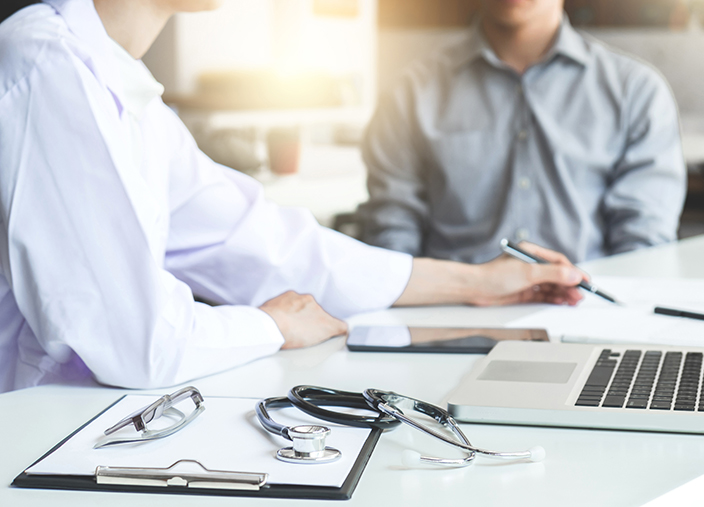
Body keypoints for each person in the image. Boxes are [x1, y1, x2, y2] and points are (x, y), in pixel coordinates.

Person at [0, 0, 587, 394]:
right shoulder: (48, 64)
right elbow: (135, 342)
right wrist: (270, 325)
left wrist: (478, 282)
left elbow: (269, 246)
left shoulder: (125, 92)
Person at [357, 0, 686, 264]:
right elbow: (392, 238)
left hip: (584, 317)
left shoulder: (636, 92)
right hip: (449, 315)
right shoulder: (411, 93)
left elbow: (643, 250)